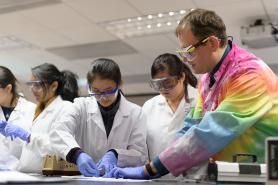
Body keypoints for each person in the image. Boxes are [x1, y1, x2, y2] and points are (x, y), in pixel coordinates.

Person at [106, 8, 278, 179]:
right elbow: (190, 127)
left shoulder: (250, 74)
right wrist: (160, 163)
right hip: (227, 176)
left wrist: (150, 170)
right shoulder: (207, 79)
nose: (184, 60)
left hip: (260, 176)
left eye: (188, 51)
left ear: (211, 43)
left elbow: (210, 133)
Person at [49, 58, 147, 177]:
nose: (103, 97)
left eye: (108, 91)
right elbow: (58, 130)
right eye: (96, 91)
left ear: (119, 84)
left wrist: (115, 155)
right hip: (86, 179)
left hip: (118, 179)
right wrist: (77, 154)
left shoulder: (136, 113)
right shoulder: (80, 106)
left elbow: (140, 155)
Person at [0, 63, 79, 173]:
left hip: (43, 173)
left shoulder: (64, 108)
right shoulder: (40, 111)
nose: (32, 90)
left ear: (54, 86)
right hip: (24, 172)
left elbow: (59, 144)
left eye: (36, 85)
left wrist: (27, 136)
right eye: (31, 84)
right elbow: (27, 146)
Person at [143, 53, 197, 162]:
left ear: (182, 77)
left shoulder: (200, 101)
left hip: (194, 175)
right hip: (158, 176)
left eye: (168, 82)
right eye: (158, 84)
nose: (163, 89)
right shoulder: (149, 107)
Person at [0, 66, 35, 165]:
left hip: (25, 173)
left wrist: (26, 136)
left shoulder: (32, 111)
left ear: (8, 88)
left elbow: (42, 145)